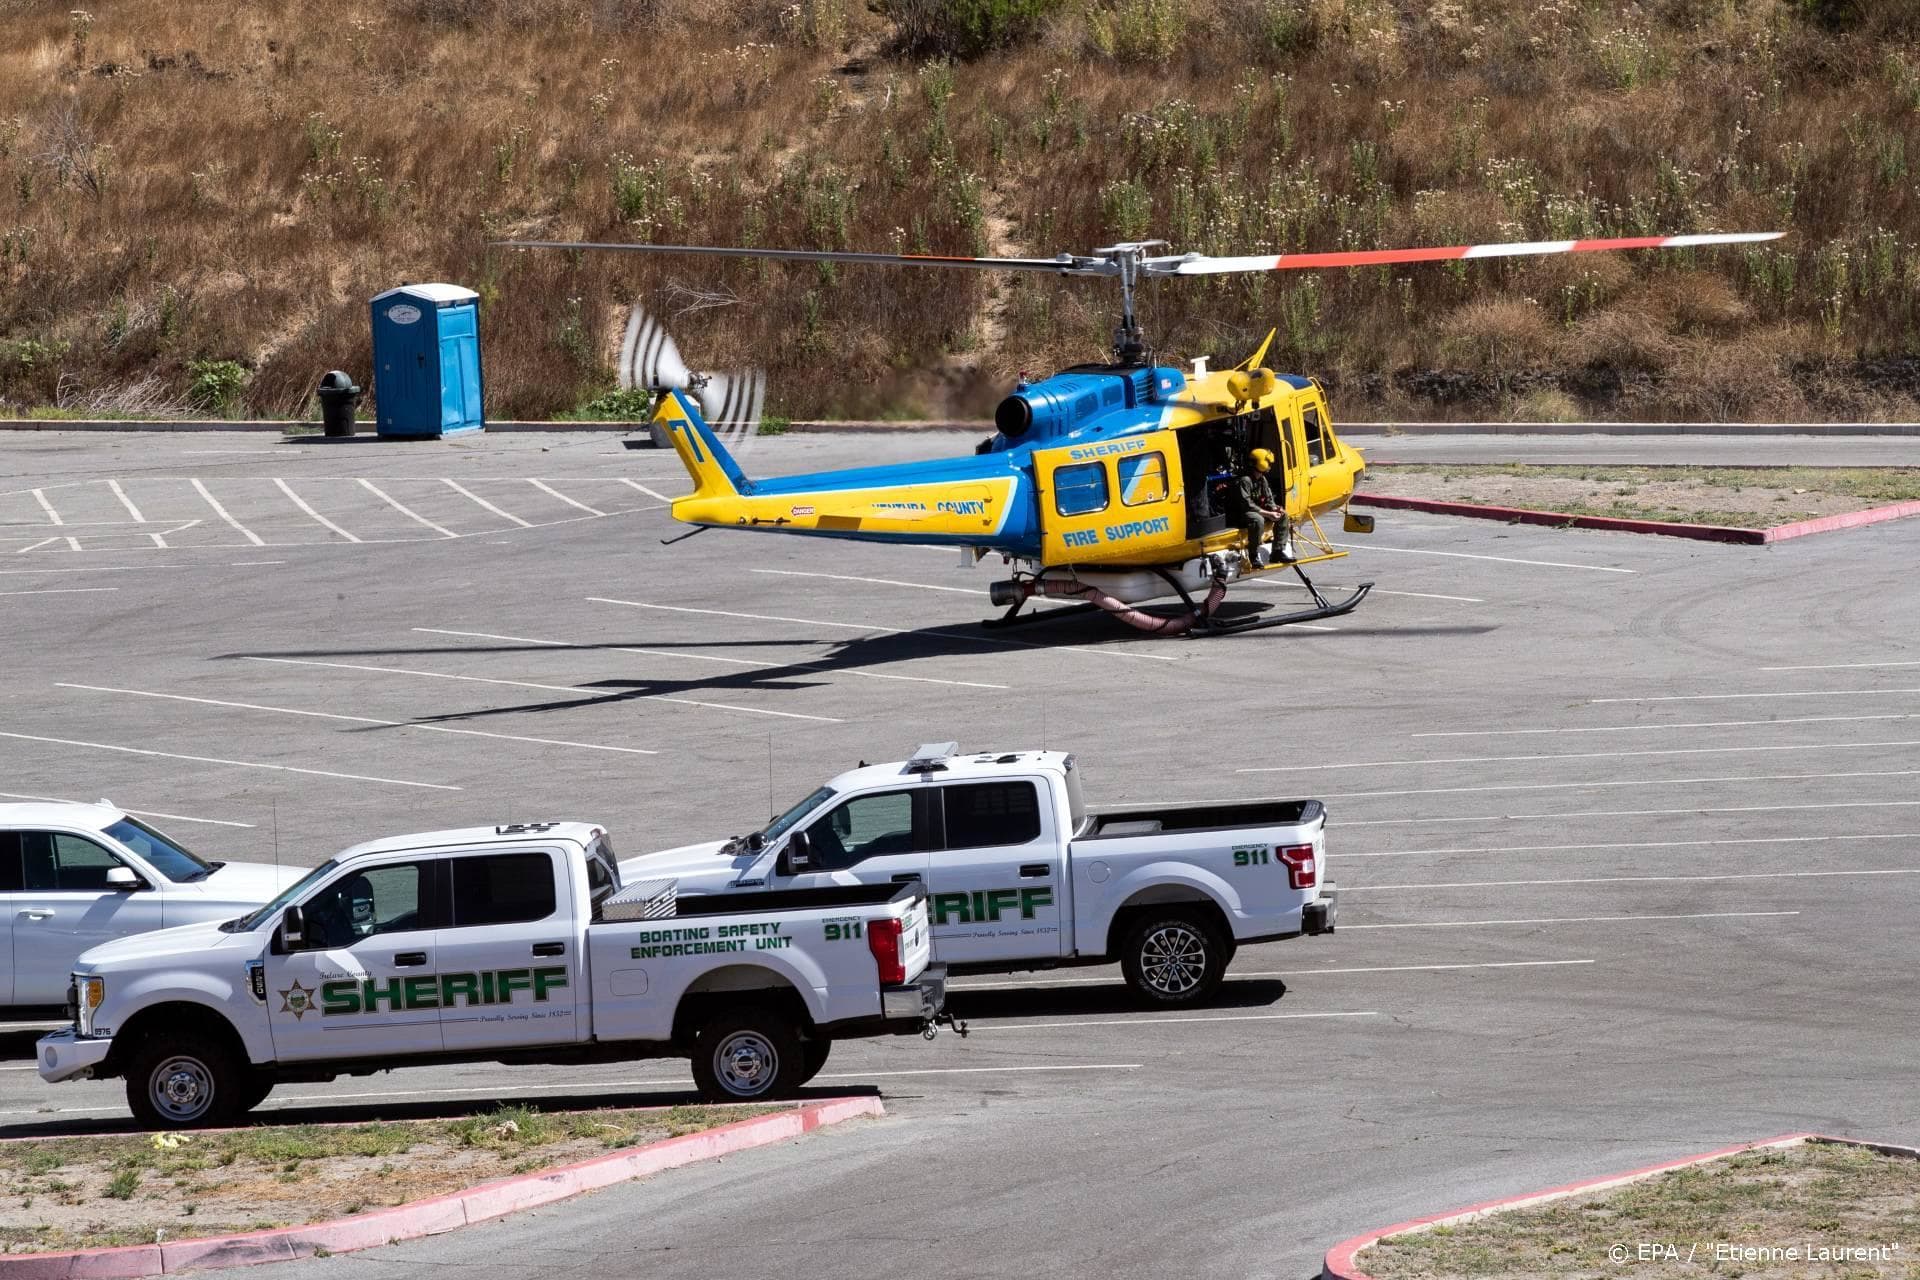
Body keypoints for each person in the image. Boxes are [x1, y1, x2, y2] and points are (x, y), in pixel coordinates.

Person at [1229, 448, 1293, 567]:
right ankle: (1253, 555)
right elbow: (1247, 505)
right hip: (1242, 513)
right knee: (1258, 520)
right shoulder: (1245, 480)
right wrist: (1269, 514)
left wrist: (1274, 508)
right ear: (1261, 463)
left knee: (1283, 515)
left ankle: (1277, 551)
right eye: (1268, 463)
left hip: (1256, 510)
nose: (1270, 466)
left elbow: (1268, 498)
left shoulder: (1262, 479)